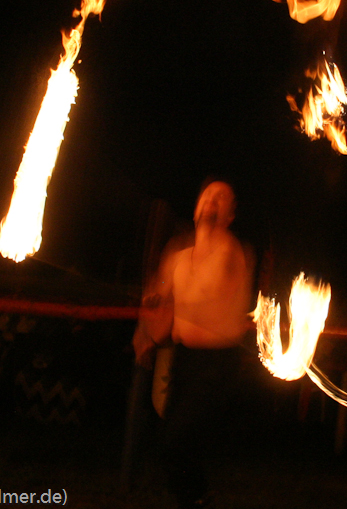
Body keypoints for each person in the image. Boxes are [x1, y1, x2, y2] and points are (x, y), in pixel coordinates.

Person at [132, 179, 255, 508]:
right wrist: (149, 327)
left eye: (222, 197)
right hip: (182, 359)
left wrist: (171, 303)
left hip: (217, 364)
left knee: (177, 438)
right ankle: (196, 497)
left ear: (230, 215)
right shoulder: (177, 255)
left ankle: (197, 496)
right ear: (196, 206)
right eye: (208, 194)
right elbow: (160, 290)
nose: (212, 200)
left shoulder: (232, 253)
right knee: (170, 439)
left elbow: (215, 298)